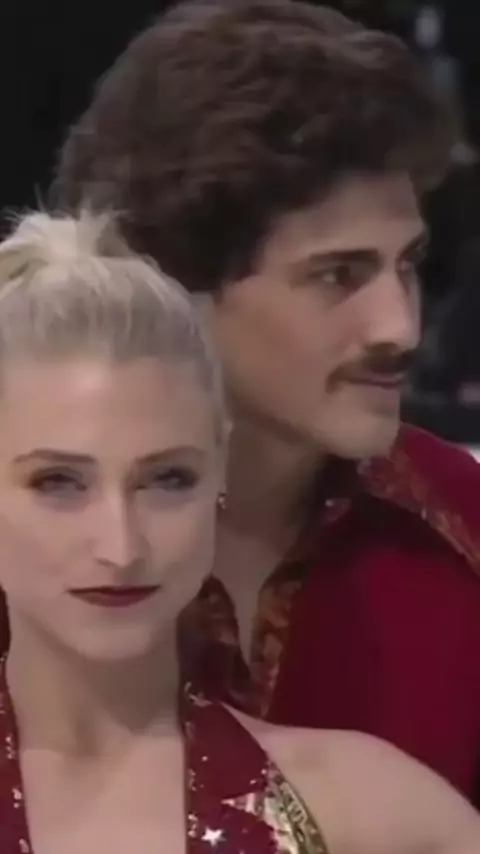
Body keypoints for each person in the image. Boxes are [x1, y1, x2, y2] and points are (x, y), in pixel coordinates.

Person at [52, 0, 480, 802]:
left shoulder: (465, 525)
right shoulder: (27, 542)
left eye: (407, 265)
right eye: (338, 275)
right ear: (170, 284)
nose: (400, 325)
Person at [0, 208, 478, 853]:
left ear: (219, 473)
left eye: (167, 479)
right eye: (58, 482)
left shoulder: (371, 814)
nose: (121, 547)